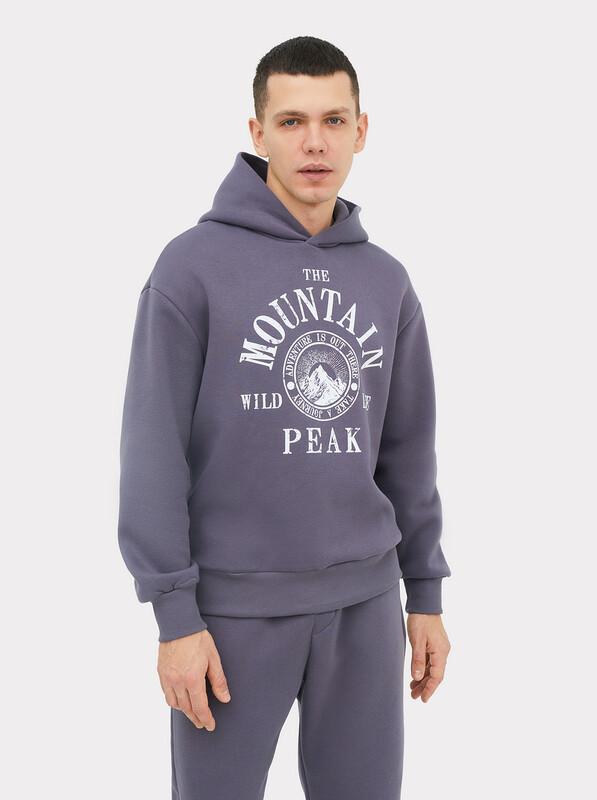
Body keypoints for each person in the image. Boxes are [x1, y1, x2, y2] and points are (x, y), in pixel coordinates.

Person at [118, 35, 452, 800]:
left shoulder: (387, 281)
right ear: (257, 132)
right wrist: (174, 616)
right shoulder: (190, 268)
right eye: (292, 121)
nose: (314, 143)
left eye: (334, 120)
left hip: (367, 608)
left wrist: (425, 594)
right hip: (231, 615)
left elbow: (408, 452)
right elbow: (153, 451)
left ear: (361, 131)